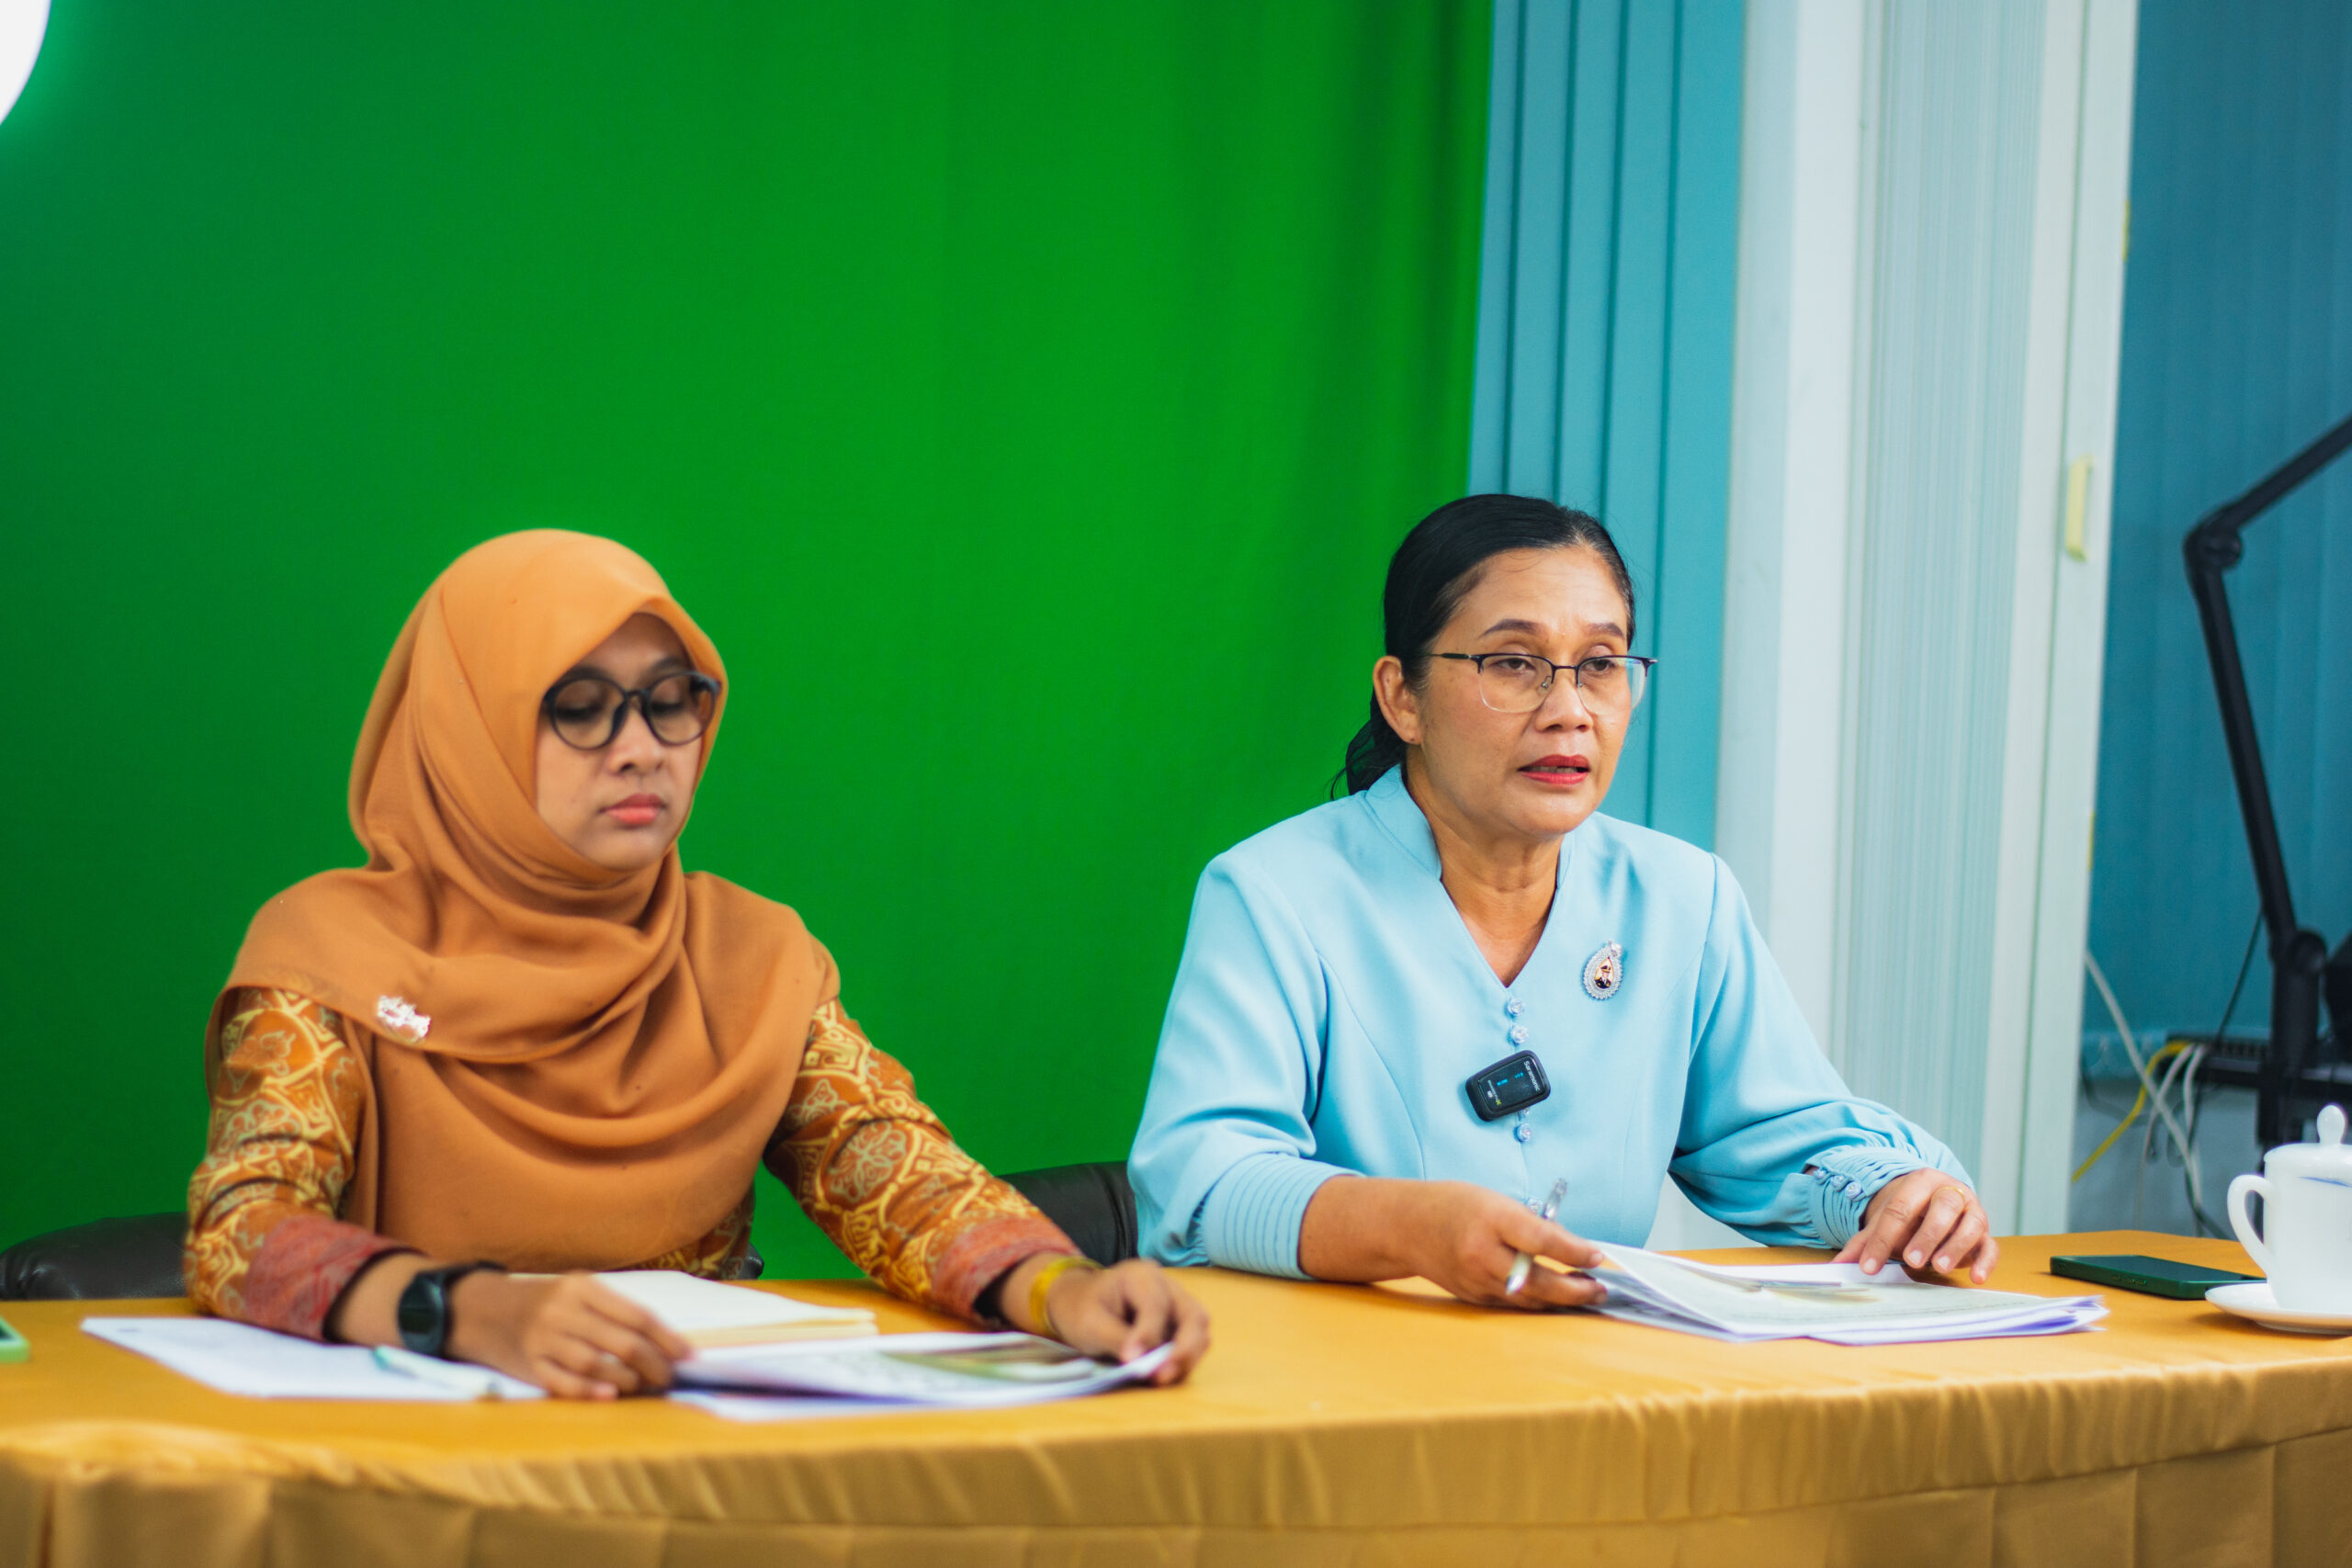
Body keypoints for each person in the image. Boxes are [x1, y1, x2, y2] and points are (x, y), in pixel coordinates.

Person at [187, 530, 1207, 1395]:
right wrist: (469, 1312)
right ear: (466, 728)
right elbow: (244, 1227)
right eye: (579, 705)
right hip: (407, 1457)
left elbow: (891, 1172)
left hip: (689, 1451)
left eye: (671, 699)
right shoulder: (331, 952)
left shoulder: (747, 958)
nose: (642, 747)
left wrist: (1060, 1288)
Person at [1128, 495, 1992, 1310]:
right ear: (1402, 697)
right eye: (1513, 663)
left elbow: (1778, 1137)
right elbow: (1200, 1185)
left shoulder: (1679, 897)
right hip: (1342, 1382)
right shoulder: (1274, 893)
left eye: (1601, 666)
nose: (1570, 710)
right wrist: (1409, 1227)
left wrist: (1893, 1192)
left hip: (1594, 1373)